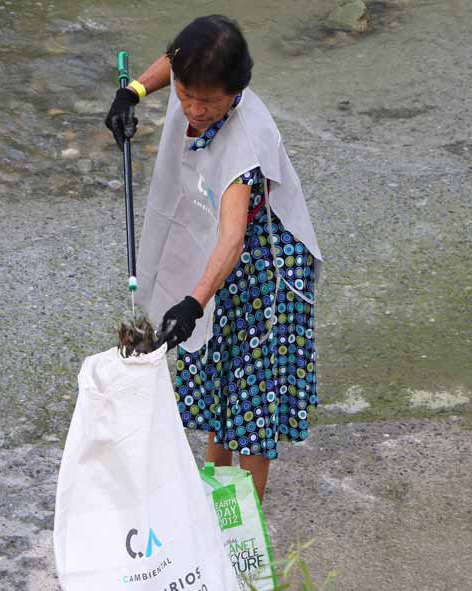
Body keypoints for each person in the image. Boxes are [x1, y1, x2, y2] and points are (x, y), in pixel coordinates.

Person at [105, 15, 322, 504]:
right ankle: (212, 489)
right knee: (216, 369)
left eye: (208, 101)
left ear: (237, 90)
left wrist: (193, 302)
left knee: (251, 397)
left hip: (269, 273)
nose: (193, 109)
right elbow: (175, 62)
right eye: (185, 96)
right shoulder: (193, 80)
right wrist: (134, 92)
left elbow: (231, 239)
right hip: (231, 267)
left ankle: (246, 522)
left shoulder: (244, 147)